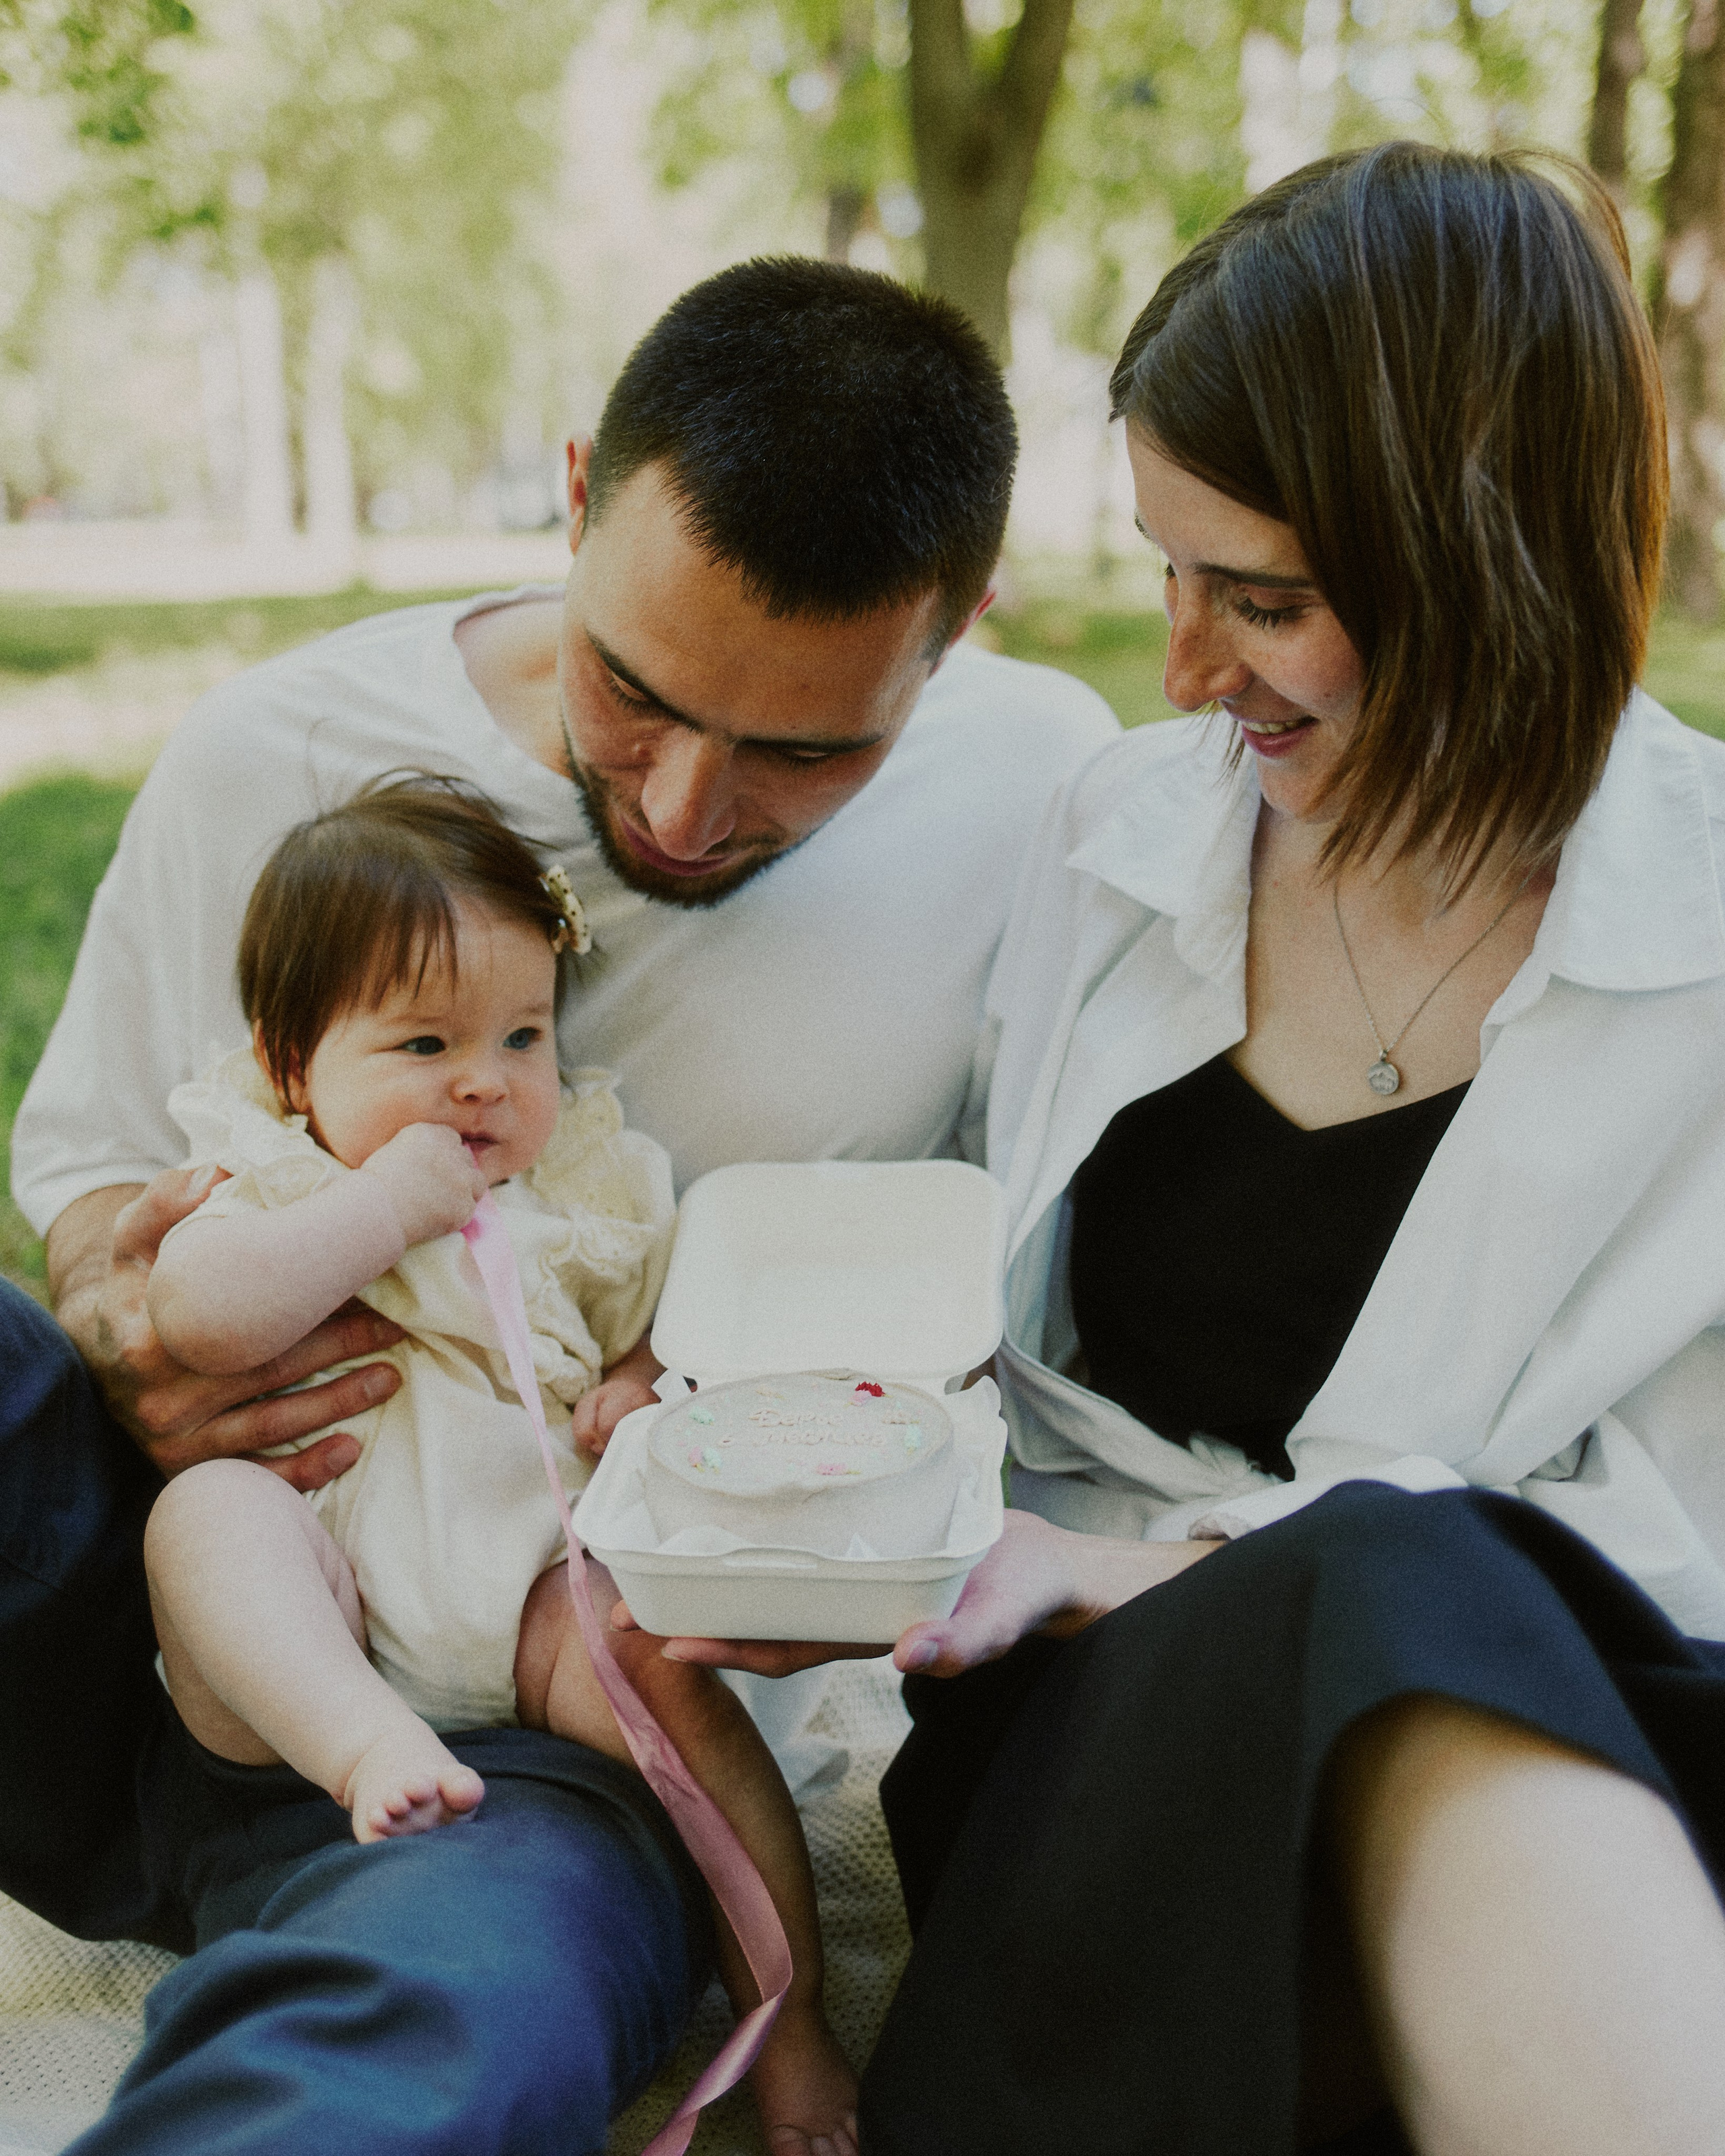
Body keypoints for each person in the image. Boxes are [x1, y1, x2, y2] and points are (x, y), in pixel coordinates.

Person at [2, 257, 1117, 2156]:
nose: (681, 806)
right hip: (156, 1594)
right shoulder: (272, 750)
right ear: (578, 491)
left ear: (961, 629)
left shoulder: (1039, 788)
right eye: (636, 693)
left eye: (807, 751)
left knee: (440, 2019)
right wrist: (140, 1331)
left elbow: (1009, 1309)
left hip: (528, 1713)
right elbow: (93, 1203)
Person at [677, 150, 1725, 2154]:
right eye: (1168, 572)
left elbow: (1678, 1545)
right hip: (1094, 1745)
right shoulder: (1117, 841)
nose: (1177, 670)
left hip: (1581, 1738)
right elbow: (956, 1315)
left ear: (1486, 560)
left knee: (1404, 1571)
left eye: (1262, 601)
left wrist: (1175, 1565)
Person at [142, 778, 856, 2149]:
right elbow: (198, 1316)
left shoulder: (580, 1193)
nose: (486, 1079)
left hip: (534, 1604)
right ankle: (366, 1749)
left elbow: (670, 1323)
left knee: (669, 1675)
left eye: (523, 1035)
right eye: (424, 1042)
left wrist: (639, 1386)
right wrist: (381, 1208)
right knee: (209, 1513)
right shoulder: (281, 1180)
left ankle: (791, 2007)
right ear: (291, 1068)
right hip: (324, 1612)